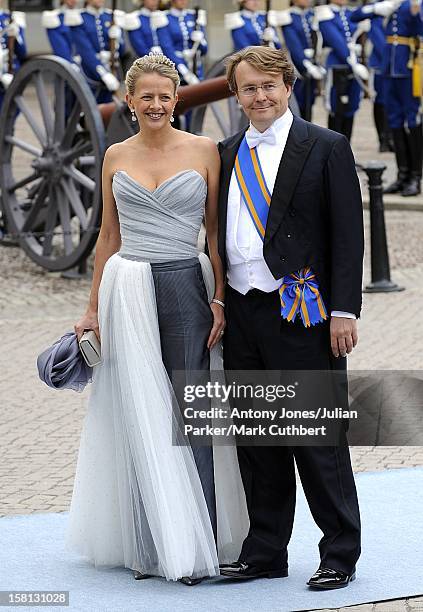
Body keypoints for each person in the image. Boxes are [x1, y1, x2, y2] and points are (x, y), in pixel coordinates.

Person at [66, 52, 248, 586]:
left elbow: (215, 232)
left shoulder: (206, 150)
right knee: (137, 407)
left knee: (191, 408)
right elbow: (107, 236)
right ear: (130, 101)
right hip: (127, 287)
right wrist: (92, 306)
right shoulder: (115, 154)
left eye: (165, 96)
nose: (156, 104)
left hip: (187, 285)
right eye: (145, 96)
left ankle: (201, 540)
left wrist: (220, 300)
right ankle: (150, 542)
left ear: (176, 100)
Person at [217, 46, 363, 590]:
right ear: (236, 94)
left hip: (303, 312)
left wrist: (344, 311)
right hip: (243, 311)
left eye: (268, 86)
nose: (259, 96)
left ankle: (339, 553)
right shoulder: (226, 151)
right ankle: (265, 551)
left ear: (287, 87)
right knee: (258, 444)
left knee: (317, 441)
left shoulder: (325, 147)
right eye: (249, 88)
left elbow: (349, 238)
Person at [351, 0, 423, 196]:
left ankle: (416, 177)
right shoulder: (387, 5)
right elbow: (354, 16)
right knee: (394, 120)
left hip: (409, 68)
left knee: (413, 119)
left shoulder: (414, 4)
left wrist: (417, 13)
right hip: (387, 69)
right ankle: (402, 175)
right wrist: (374, 9)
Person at [315, 0, 369, 141]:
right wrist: (353, 62)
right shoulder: (325, 13)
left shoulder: (349, 13)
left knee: (351, 109)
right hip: (337, 66)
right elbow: (336, 41)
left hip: (353, 67)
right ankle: (334, 153)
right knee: (336, 109)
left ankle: (346, 150)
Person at [67, 0, 126, 103]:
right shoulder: (79, 18)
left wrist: (118, 38)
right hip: (89, 72)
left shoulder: (111, 16)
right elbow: (85, 51)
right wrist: (103, 74)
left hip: (112, 69)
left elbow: (121, 51)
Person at [278, 0, 326, 120]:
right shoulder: (288, 17)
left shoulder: (311, 15)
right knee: (297, 105)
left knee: (309, 104)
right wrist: (306, 64)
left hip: (313, 64)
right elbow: (293, 44)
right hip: (297, 68)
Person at [155, 0, 208, 86]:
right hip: (174, 70)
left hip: (196, 69)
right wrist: (184, 71)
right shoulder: (164, 18)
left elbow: (204, 51)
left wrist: (201, 40)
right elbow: (167, 48)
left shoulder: (194, 16)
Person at [0, 4, 26, 107]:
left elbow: (22, 53)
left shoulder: (12, 18)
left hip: (10, 73)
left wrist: (16, 36)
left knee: (12, 108)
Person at [42, 0, 81, 67]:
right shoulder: (54, 18)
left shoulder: (83, 15)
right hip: (68, 66)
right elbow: (61, 49)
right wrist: (70, 66)